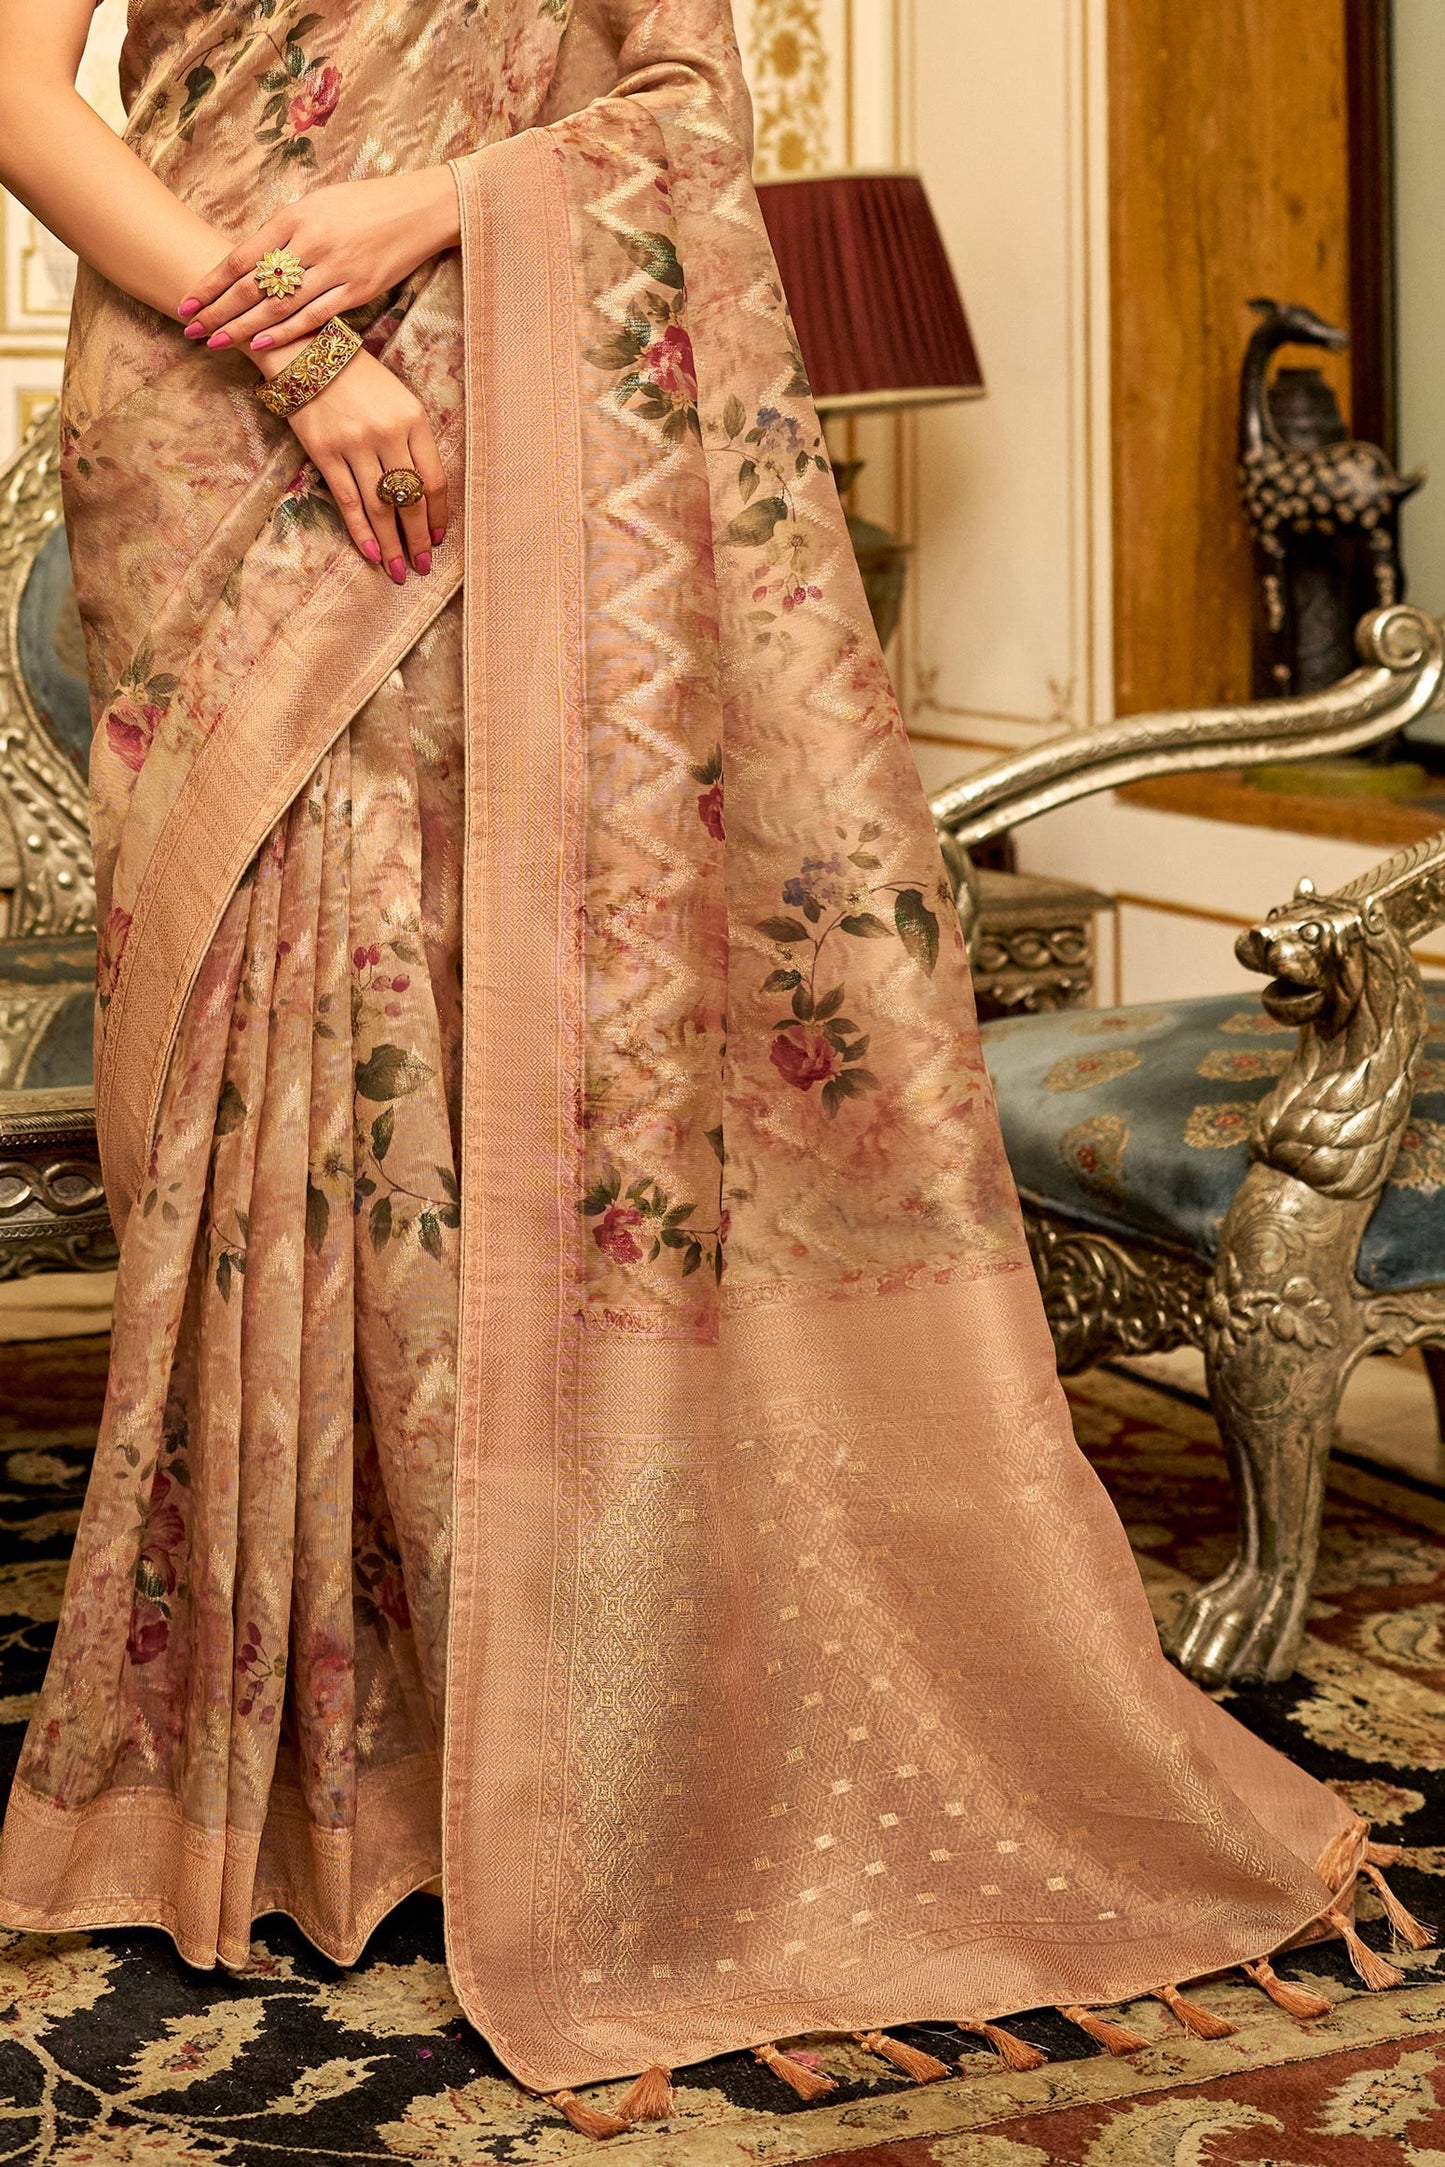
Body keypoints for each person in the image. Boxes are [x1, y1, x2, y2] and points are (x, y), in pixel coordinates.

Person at [0, 0, 1428, 2133]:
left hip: (499, 407)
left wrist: (426, 206)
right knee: (279, 1080)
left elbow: (677, 112)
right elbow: (15, 94)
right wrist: (304, 349)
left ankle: (547, 1714)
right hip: (221, 397)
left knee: (501, 1065)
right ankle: (307, 1750)